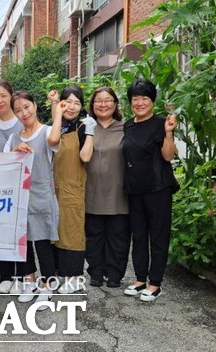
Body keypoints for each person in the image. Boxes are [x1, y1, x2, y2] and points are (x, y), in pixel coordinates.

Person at [122, 79, 178, 302]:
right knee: (138, 235)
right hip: (135, 189)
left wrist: (169, 133)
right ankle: (139, 279)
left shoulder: (161, 123)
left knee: (158, 236)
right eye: (135, 98)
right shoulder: (127, 125)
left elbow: (168, 156)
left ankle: (155, 283)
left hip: (158, 188)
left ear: (152, 100)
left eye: (145, 98)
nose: (140, 102)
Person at [4, 91, 59, 309]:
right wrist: (15, 152)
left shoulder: (46, 132)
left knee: (43, 242)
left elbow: (55, 141)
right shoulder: (13, 138)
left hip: (42, 195)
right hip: (20, 197)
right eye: (18, 110)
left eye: (26, 107)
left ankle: (47, 285)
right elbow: (5, 164)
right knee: (23, 243)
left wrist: (57, 106)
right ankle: (29, 280)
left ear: (35, 105)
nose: (23, 113)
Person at [47, 87, 96, 293]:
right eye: (68, 102)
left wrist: (91, 131)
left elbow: (85, 157)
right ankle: (59, 273)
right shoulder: (58, 127)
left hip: (73, 188)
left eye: (77, 103)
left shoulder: (83, 128)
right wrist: (54, 105)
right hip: (54, 188)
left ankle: (75, 277)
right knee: (56, 232)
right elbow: (53, 141)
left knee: (73, 232)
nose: (73, 107)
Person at [85, 87, 130, 288]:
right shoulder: (85, 128)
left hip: (119, 192)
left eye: (108, 100)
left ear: (115, 104)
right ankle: (95, 272)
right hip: (91, 190)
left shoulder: (126, 128)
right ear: (92, 105)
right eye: (98, 101)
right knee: (94, 235)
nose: (103, 104)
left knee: (118, 236)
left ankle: (114, 274)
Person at [0, 80, 25, 294]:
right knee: (1, 227)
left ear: (11, 96)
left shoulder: (22, 120)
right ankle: (5, 275)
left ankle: (21, 275)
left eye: (3, 95)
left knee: (19, 229)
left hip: (20, 184)